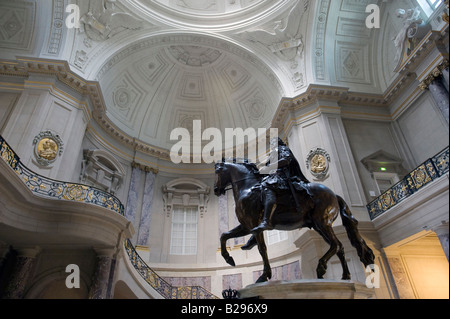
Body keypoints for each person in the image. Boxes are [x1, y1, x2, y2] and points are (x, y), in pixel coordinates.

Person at [251, 138, 310, 234]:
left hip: (282, 176)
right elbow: (267, 167)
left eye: (273, 142)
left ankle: (266, 221)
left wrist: (270, 167)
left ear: (279, 142)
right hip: (273, 177)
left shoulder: (282, 148)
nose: (272, 144)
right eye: (271, 143)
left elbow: (286, 160)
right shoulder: (272, 154)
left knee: (268, 186)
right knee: (259, 188)